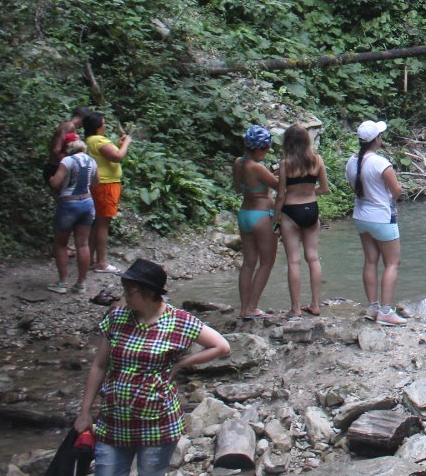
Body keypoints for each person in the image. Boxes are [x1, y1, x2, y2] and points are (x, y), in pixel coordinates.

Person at [74, 259, 230, 476]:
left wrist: (182, 363)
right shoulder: (116, 317)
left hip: (158, 423)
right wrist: (84, 412)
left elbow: (221, 346)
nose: (125, 295)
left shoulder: (179, 321)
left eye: (130, 290)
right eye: (125, 289)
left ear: (149, 292)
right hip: (113, 419)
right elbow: (99, 366)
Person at [347, 119, 405, 326]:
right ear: (376, 140)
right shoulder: (381, 163)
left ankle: (373, 307)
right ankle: (386, 311)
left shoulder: (351, 162)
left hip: (361, 216)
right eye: (380, 135)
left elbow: (355, 188)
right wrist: (393, 198)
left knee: (370, 261)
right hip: (382, 217)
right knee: (392, 263)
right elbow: (396, 191)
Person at [274, 123, 329, 318]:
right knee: (313, 258)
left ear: (287, 142)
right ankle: (315, 305)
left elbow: (280, 195)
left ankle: (295, 309)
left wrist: (275, 218)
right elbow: (324, 189)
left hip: (291, 210)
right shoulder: (317, 160)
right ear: (307, 140)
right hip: (311, 209)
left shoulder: (285, 163)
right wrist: (308, 191)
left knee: (294, 261)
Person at [232, 125, 279, 320]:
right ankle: (252, 307)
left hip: (244, 214)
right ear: (259, 148)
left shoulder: (238, 163)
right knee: (267, 263)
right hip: (261, 215)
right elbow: (279, 186)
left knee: (248, 263)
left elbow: (237, 188)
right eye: (267, 147)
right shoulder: (257, 167)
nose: (267, 150)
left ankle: (244, 308)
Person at [84, 112, 130, 275]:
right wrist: (126, 144)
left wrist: (118, 144)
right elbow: (117, 156)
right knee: (103, 224)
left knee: (95, 223)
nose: (105, 125)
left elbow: (108, 154)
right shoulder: (98, 140)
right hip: (106, 184)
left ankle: (90, 259)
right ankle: (101, 263)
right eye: (103, 123)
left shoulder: (90, 140)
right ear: (98, 126)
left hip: (97, 184)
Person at [48, 138, 96, 295]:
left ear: (70, 149)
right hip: (87, 204)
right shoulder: (92, 161)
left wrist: (50, 179)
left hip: (69, 204)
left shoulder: (67, 161)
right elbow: (97, 183)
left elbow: (56, 183)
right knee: (83, 244)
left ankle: (62, 283)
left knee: (61, 244)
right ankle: (80, 284)